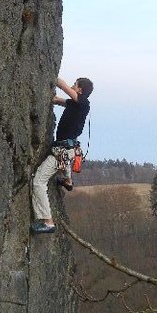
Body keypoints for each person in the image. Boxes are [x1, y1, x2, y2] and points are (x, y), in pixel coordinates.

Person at [31, 76, 94, 234]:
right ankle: (67, 180)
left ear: (79, 90)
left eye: (75, 84)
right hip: (69, 150)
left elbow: (65, 88)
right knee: (65, 160)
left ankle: (47, 221)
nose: (73, 86)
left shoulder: (84, 103)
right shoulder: (74, 104)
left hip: (63, 151)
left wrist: (55, 78)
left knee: (38, 181)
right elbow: (59, 100)